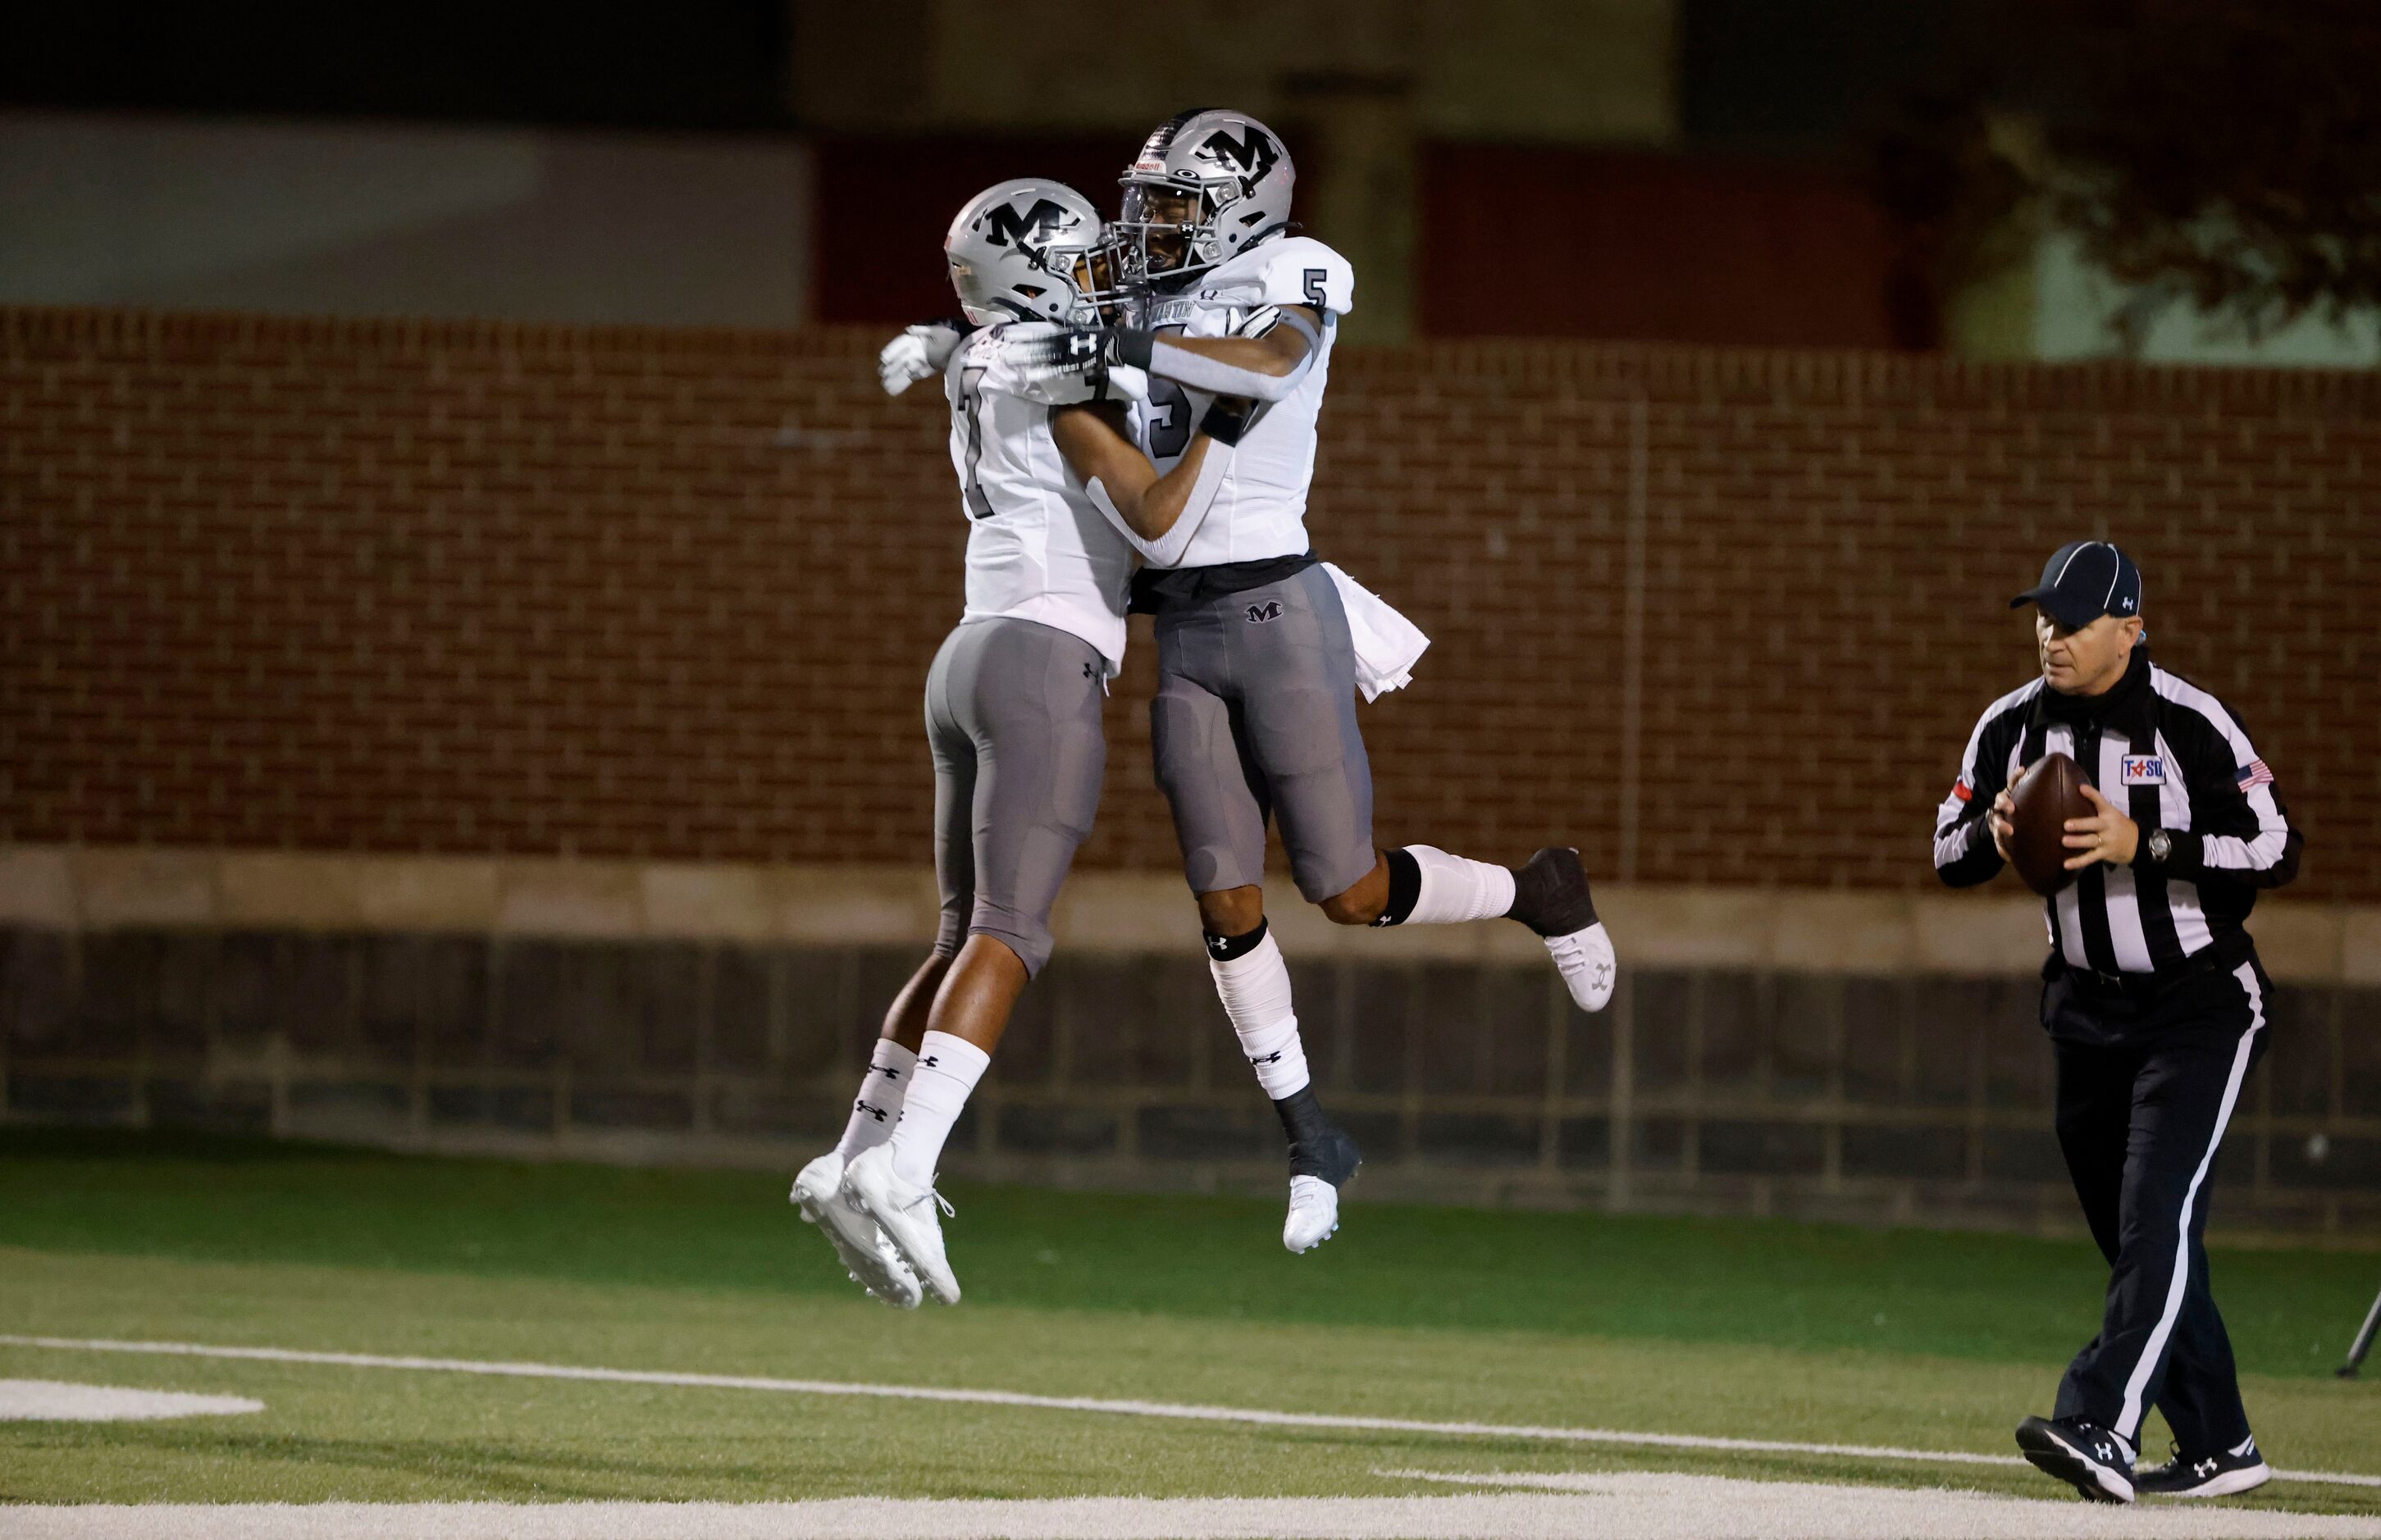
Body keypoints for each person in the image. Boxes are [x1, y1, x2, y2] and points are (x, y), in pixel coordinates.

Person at [1005, 109, 1621, 1255]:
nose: (1151, 229)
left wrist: (1120, 351)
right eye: (1145, 204)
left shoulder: (1292, 268)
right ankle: (1308, 1139)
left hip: (1280, 609)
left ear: (1241, 206)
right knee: (1220, 893)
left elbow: (1270, 361)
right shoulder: (1122, 310)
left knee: (1341, 887)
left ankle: (1538, 890)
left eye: (1175, 204)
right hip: (1180, 630)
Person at [792, 180, 1229, 1308]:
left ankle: (849, 1158)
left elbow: (989, 342)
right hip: (1041, 655)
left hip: (971, 649)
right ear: (1043, 272)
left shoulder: (981, 350)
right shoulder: (1056, 356)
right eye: (1085, 259)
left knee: (956, 940)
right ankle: (904, 1165)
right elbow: (1152, 512)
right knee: (1011, 934)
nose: (1104, 273)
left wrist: (945, 330)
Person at [1933, 540, 2300, 1503]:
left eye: (2074, 620)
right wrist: (1993, 835)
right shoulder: (2009, 726)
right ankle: (2221, 1442)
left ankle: (2099, 1420)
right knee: (2138, 1236)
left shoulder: (2187, 721)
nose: (2050, 638)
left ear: (2129, 628)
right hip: (2083, 1010)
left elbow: (2274, 845)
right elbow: (1945, 848)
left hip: (2196, 1009)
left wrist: (2149, 843)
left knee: (2153, 1219)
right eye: (2042, 618)